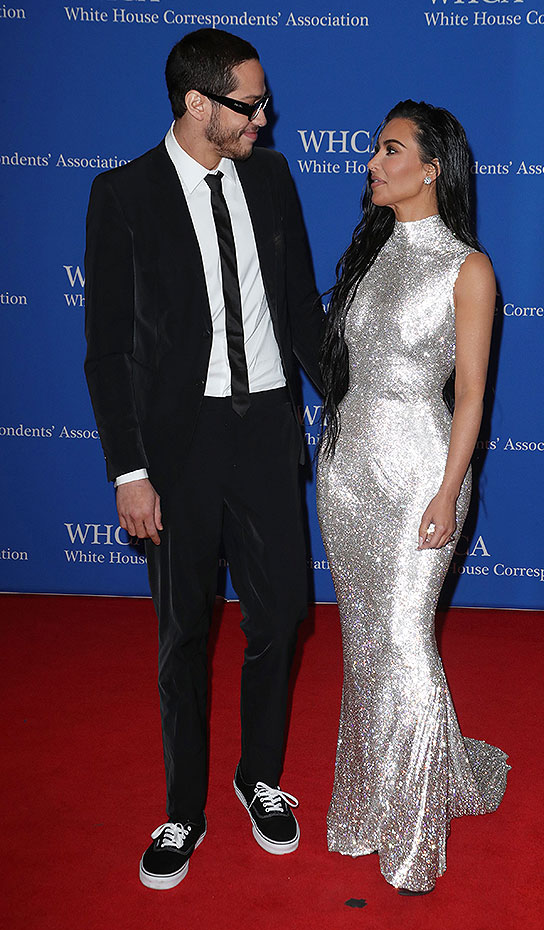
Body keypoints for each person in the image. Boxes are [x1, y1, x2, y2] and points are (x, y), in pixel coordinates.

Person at [84, 28, 324, 890]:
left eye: (263, 104)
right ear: (197, 104)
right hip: (179, 448)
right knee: (183, 632)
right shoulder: (124, 194)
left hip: (265, 431)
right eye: (249, 105)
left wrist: (354, 395)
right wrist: (129, 470)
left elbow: (300, 309)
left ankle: (259, 777)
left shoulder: (272, 176)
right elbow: (108, 349)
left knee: (283, 614)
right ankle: (184, 810)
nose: (265, 118)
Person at [316, 100, 509, 895]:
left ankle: (413, 840)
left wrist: (450, 489)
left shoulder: (468, 268)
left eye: (390, 149)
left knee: (403, 642)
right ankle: (369, 808)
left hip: (421, 475)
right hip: (347, 472)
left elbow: (470, 396)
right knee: (364, 644)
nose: (372, 162)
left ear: (431, 168)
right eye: (374, 148)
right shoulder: (370, 254)